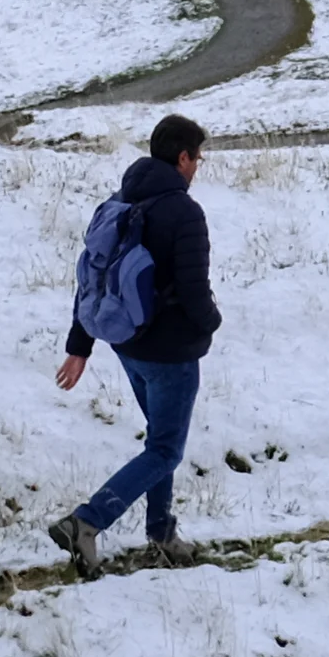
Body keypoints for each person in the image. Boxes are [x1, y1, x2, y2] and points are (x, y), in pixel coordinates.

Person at [50, 113, 221, 572]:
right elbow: (193, 289)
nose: (198, 167)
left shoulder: (119, 201)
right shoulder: (184, 212)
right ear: (182, 157)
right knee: (166, 450)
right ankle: (87, 521)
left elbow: (92, 280)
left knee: (158, 442)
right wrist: (211, 324)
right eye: (198, 158)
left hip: (126, 345)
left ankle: (161, 532)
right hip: (171, 353)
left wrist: (80, 344)